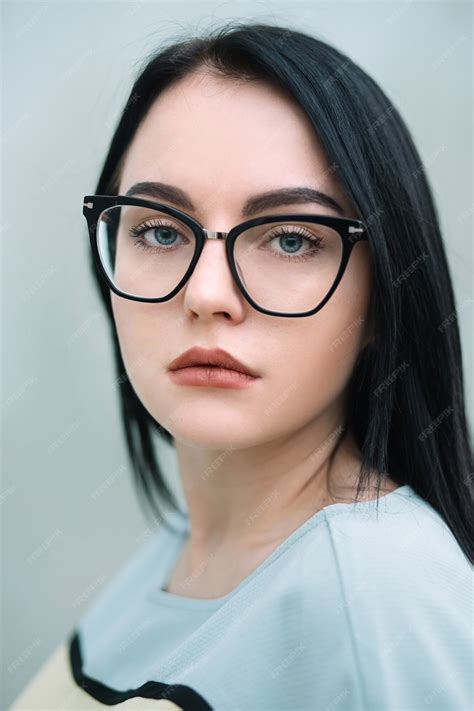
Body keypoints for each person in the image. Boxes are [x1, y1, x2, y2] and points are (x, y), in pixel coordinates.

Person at [10, 20, 472, 711]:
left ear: (385, 296)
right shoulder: (178, 550)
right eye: (160, 230)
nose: (206, 295)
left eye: (289, 238)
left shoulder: (380, 591)